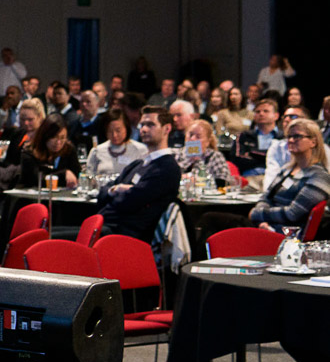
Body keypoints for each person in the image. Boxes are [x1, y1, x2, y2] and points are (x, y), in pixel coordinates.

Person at [196, 118, 330, 249]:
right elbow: (266, 196)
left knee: (211, 219)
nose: (290, 140)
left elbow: (292, 213)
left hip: (285, 235)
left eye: (297, 136)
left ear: (313, 142)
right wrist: (261, 220)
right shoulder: (288, 169)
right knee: (209, 218)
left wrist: (258, 215)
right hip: (265, 225)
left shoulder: (319, 176)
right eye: (289, 136)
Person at [95, 106, 180, 242]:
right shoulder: (138, 164)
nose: (144, 129)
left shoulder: (167, 167)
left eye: (150, 125)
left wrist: (118, 193)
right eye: (142, 125)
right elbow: (103, 192)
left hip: (124, 236)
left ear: (167, 129)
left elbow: (129, 202)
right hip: (104, 228)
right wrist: (115, 189)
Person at [85, 109, 147, 184]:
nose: (114, 135)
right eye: (110, 131)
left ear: (126, 128)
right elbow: (89, 176)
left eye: (118, 130)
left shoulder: (140, 150)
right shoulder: (97, 150)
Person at [17, 118, 79, 189]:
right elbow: (36, 180)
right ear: (45, 135)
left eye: (62, 138)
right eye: (54, 137)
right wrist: (64, 174)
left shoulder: (69, 149)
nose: (58, 142)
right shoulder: (29, 152)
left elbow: (77, 175)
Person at [234, 96, 282, 176]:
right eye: (258, 112)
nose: (261, 114)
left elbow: (283, 161)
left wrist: (253, 153)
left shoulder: (283, 137)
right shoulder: (244, 136)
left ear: (276, 116)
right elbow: (237, 160)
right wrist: (268, 158)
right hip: (250, 177)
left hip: (276, 177)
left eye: (266, 111)